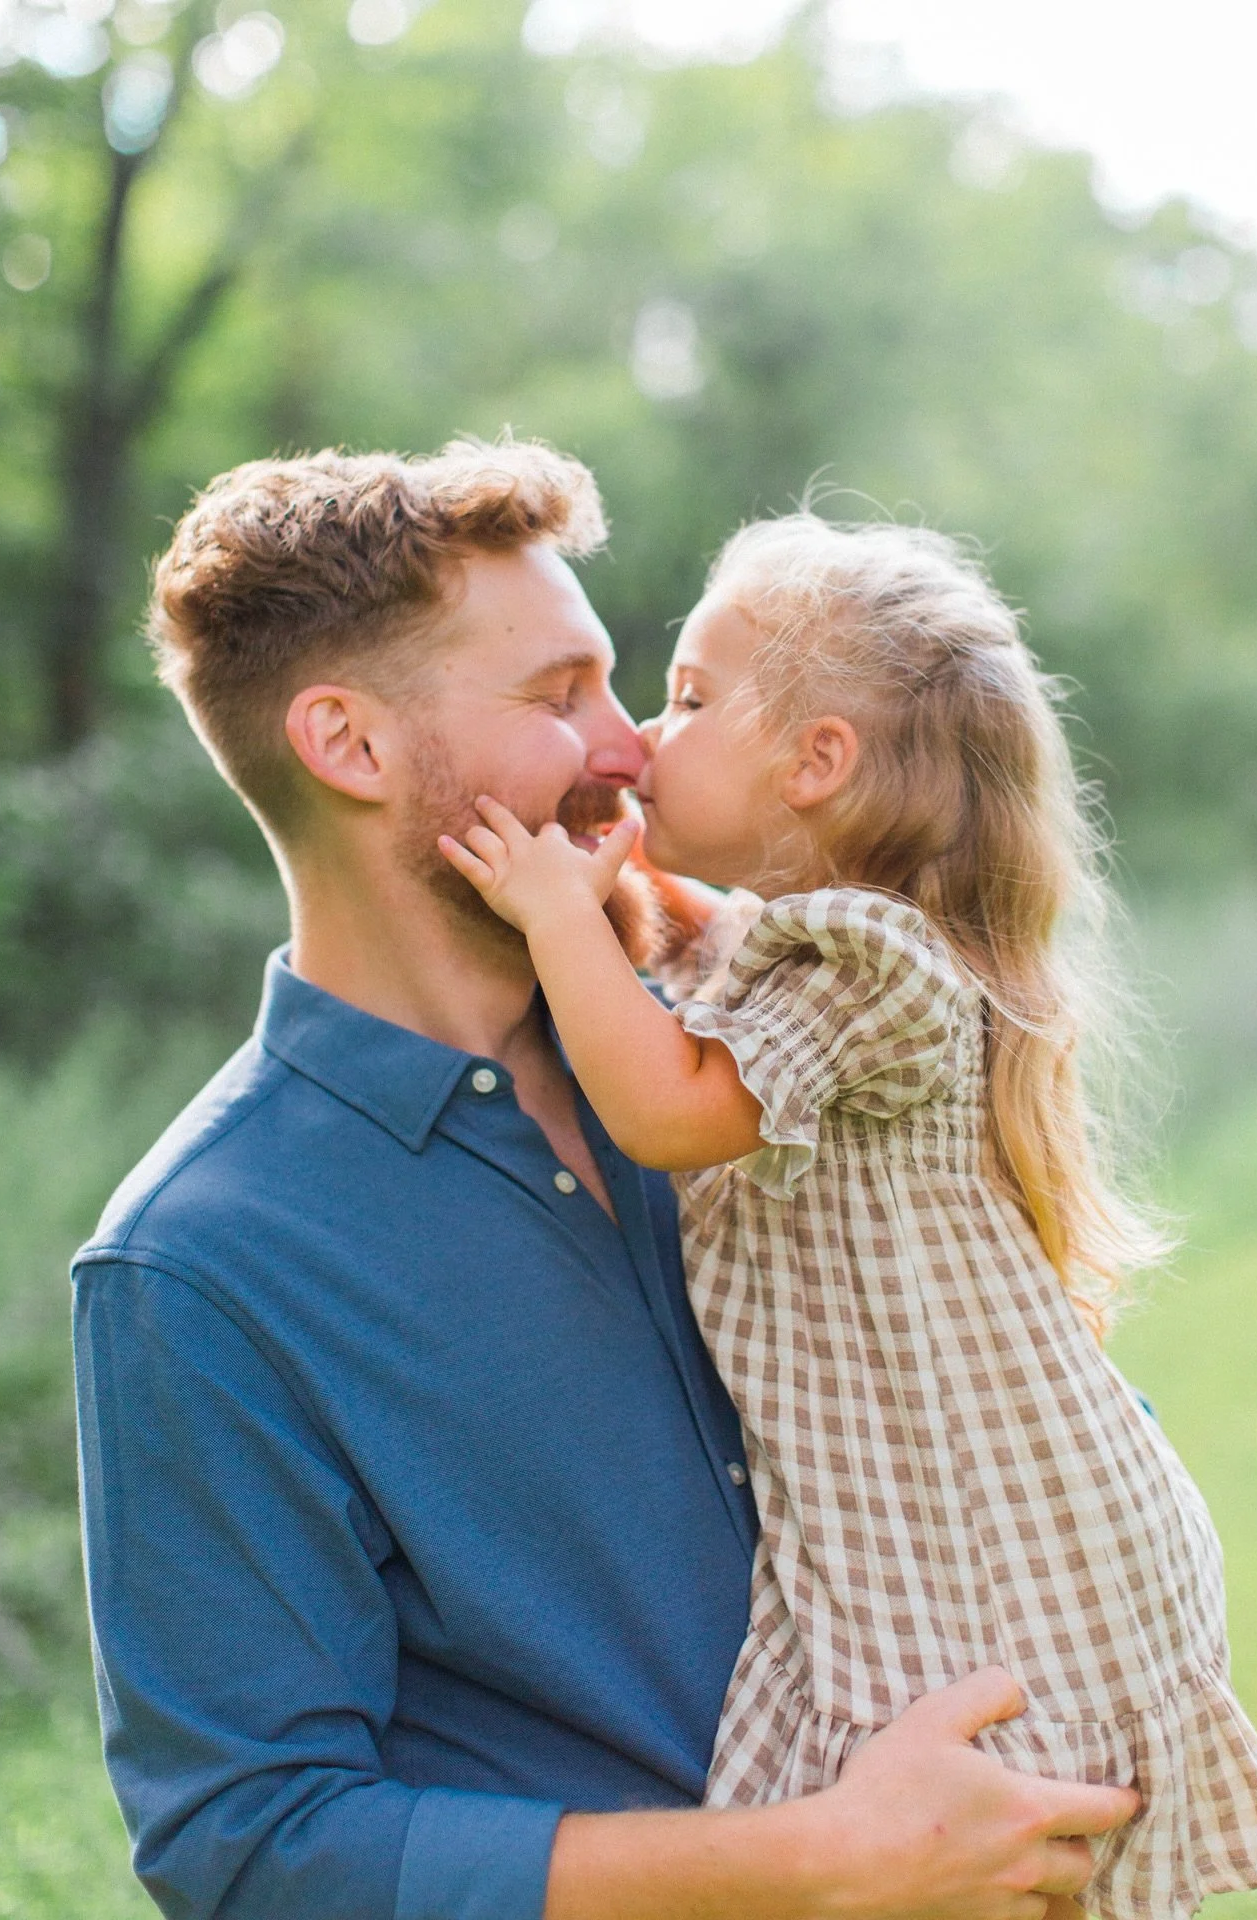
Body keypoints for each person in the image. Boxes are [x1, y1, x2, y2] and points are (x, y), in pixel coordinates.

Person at [73, 439, 1138, 1920]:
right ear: (353, 747)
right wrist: (822, 1862)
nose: (631, 745)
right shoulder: (200, 1268)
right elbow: (252, 1849)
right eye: (559, 695)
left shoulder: (748, 1030)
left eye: (631, 685)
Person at [440, 512, 1257, 1920]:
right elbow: (687, 957)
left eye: (692, 698)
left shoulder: (877, 958)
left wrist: (551, 921)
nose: (651, 734)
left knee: (968, 1864)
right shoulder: (789, 951)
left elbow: (668, 1108)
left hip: (992, 1550)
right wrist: (608, 885)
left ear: (817, 762)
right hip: (903, 1521)